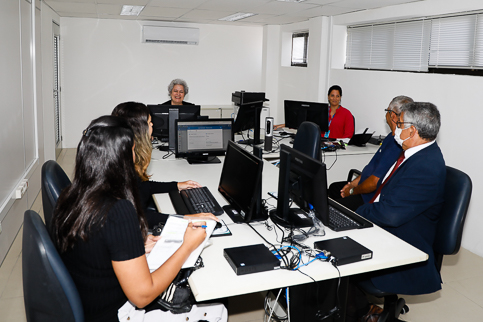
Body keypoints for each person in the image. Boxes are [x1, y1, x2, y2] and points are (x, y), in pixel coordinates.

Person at [51, 116, 210, 321]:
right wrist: (187, 246)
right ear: (121, 159)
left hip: (90, 301)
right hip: (116, 312)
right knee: (216, 307)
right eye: (134, 150)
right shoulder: (118, 210)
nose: (136, 157)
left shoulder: (71, 195)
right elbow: (142, 296)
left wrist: (131, 246)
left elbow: (95, 242)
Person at [350, 102, 445, 321]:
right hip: (389, 221)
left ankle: (357, 313)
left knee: (337, 257)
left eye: (400, 123)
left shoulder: (425, 166)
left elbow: (390, 215)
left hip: (405, 240)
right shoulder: (412, 153)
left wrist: (357, 213)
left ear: (412, 130)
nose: (396, 125)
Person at [112, 101, 218, 228]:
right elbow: (138, 217)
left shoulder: (125, 159)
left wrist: (176, 185)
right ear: (139, 130)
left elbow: (143, 187)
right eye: (149, 122)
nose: (152, 125)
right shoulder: (125, 169)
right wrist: (186, 219)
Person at [328, 96, 413, 211]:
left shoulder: (398, 144)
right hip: (363, 187)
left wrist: (352, 191)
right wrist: (352, 184)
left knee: (333, 207)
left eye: (387, 111)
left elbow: (374, 183)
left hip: (369, 197)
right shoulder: (390, 137)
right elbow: (370, 168)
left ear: (392, 115)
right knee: (334, 188)